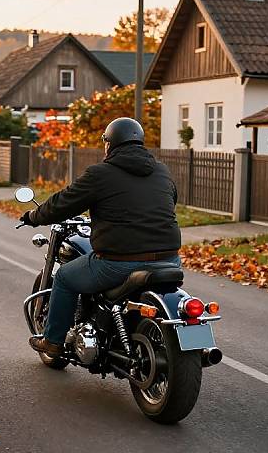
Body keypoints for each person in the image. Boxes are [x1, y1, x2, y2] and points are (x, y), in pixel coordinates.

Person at [20, 117, 181, 358]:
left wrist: (33, 216)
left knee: (64, 277)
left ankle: (53, 341)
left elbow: (63, 203)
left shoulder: (101, 174)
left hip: (118, 263)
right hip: (169, 260)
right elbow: (170, 201)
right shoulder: (162, 170)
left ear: (110, 144)